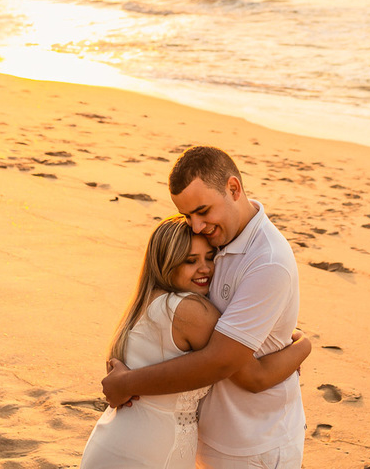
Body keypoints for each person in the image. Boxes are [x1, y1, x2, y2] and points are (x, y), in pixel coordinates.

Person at [103, 146, 306, 468]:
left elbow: (222, 362)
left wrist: (126, 384)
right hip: (204, 434)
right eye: (187, 216)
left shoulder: (267, 261)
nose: (196, 226)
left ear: (234, 188)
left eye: (203, 211)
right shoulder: (216, 244)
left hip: (252, 442)